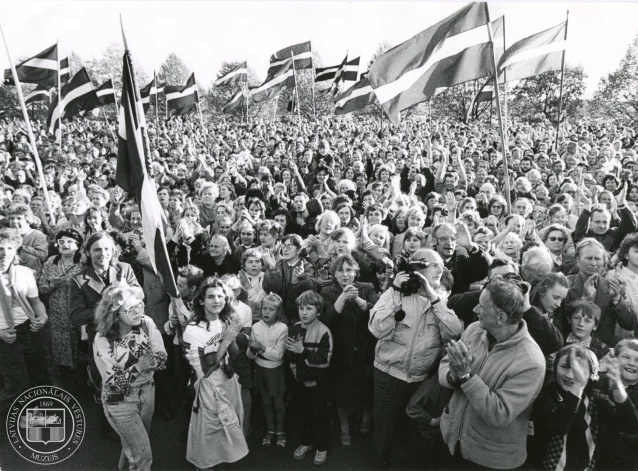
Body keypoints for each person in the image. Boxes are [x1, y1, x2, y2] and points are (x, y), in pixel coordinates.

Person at [439, 275, 545, 470]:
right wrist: (454, 376)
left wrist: (466, 377)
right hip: (453, 443)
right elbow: (446, 365)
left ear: (501, 317)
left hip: (489, 460)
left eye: (482, 306)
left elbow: (499, 414)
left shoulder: (531, 361)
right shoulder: (473, 330)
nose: (475, 310)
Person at [369, 248, 463, 467]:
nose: (441, 269)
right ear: (418, 266)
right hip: (388, 375)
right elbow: (377, 329)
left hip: (418, 379)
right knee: (383, 434)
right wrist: (395, 293)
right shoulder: (395, 293)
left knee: (411, 435)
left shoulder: (439, 300)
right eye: (434, 265)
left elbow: (455, 331)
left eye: (442, 265)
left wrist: (433, 297)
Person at [93, 283, 167, 471]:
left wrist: (150, 364)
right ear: (115, 314)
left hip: (148, 391)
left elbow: (162, 357)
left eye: (139, 306)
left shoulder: (146, 323)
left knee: (135, 446)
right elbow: (112, 384)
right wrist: (140, 366)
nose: (138, 312)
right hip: (121, 401)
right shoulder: (102, 339)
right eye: (130, 309)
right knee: (143, 454)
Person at [530, 344, 638, 471]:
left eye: (579, 371)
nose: (570, 375)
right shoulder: (545, 395)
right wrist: (577, 387)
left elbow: (629, 425)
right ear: (555, 367)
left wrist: (617, 387)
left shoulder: (596, 399)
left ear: (592, 374)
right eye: (564, 367)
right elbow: (558, 425)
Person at [182, 277, 248, 470]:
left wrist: (233, 339)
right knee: (209, 434)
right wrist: (226, 341)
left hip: (228, 381)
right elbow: (203, 371)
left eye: (220, 296)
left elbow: (234, 354)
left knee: (228, 429)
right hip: (208, 388)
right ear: (201, 301)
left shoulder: (224, 321)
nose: (217, 300)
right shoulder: (193, 330)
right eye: (211, 296)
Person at [321, 254, 379, 446]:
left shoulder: (367, 288)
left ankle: (366, 417)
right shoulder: (327, 291)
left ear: (355, 272)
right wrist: (343, 298)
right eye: (340, 270)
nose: (345, 274)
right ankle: (344, 427)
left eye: (349, 270)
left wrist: (359, 301)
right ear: (334, 273)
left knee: (367, 389)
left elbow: (378, 315)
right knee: (341, 393)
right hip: (341, 351)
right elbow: (327, 320)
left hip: (365, 349)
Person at [0, 228, 50, 418]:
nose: (5, 254)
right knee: (16, 385)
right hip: (6, 335)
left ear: (16, 250)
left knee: (37, 376)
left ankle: (28, 418)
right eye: (0, 248)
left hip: (30, 330)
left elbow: (35, 301)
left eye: (9, 248)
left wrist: (42, 317)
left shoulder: (24, 273)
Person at [563, 238, 638, 348]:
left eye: (597, 259)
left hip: (602, 351)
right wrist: (584, 299)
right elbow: (560, 321)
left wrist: (617, 299)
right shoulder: (565, 284)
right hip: (570, 349)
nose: (593, 263)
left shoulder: (611, 286)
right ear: (577, 259)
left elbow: (630, 324)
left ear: (603, 261)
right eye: (589, 258)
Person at [287, 290, 333, 466]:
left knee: (319, 417)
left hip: (317, 385)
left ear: (319, 311)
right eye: (301, 308)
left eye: (309, 308)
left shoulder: (324, 332)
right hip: (299, 382)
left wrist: (302, 351)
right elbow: (290, 357)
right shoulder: (296, 327)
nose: (303, 312)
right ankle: (306, 443)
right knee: (303, 415)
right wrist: (292, 353)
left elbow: (324, 361)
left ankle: (322, 447)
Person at [37, 229, 84, 375]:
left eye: (70, 241)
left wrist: (70, 282)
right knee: (59, 345)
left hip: (77, 310)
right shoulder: (51, 261)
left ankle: (81, 375)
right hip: (57, 312)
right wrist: (54, 285)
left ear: (78, 245)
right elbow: (42, 287)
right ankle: (64, 375)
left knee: (81, 343)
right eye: (61, 241)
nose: (65, 245)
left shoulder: (83, 263)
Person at [247, 293, 288, 449]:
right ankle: (270, 430)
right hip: (260, 369)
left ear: (278, 312)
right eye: (264, 308)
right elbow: (250, 355)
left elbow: (278, 355)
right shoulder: (255, 327)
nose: (266, 312)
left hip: (276, 371)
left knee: (278, 403)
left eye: (271, 309)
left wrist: (262, 347)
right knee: (266, 402)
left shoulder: (282, 328)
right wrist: (252, 349)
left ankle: (280, 430)